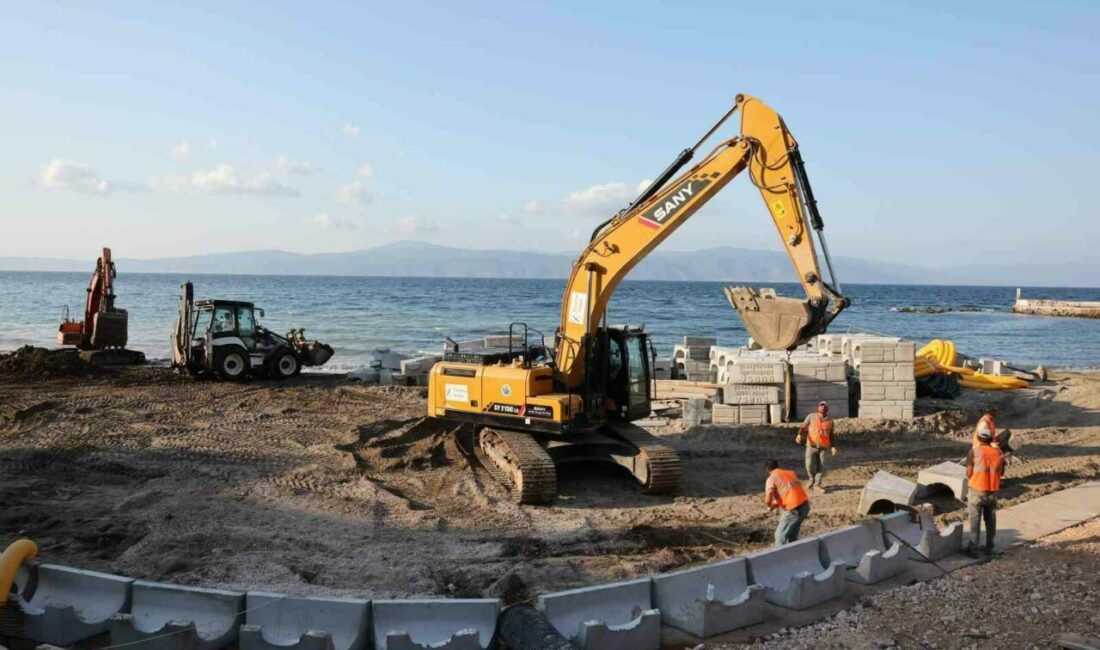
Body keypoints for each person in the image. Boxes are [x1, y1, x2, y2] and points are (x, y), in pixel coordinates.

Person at [965, 428, 1005, 556]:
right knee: (990, 521)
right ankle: (989, 548)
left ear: (978, 437)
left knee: (975, 521)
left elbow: (969, 473)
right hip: (992, 491)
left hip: (977, 490)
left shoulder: (974, 451)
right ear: (991, 438)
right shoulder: (999, 452)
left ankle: (973, 549)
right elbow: (1002, 472)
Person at [764, 459, 811, 546]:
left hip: (793, 510)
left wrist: (769, 505)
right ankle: (793, 554)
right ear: (778, 465)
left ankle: (780, 557)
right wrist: (775, 504)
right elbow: (787, 491)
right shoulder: (790, 473)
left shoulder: (771, 479)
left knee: (779, 536)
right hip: (805, 506)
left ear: (767, 469)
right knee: (792, 535)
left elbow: (768, 498)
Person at [795, 401, 837, 491]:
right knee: (809, 465)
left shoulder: (830, 421)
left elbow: (831, 435)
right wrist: (799, 434)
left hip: (823, 447)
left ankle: (817, 485)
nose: (822, 407)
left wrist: (833, 446)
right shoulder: (811, 416)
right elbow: (803, 426)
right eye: (821, 406)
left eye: (824, 406)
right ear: (818, 407)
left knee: (821, 466)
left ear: (827, 409)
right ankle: (811, 478)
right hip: (811, 445)